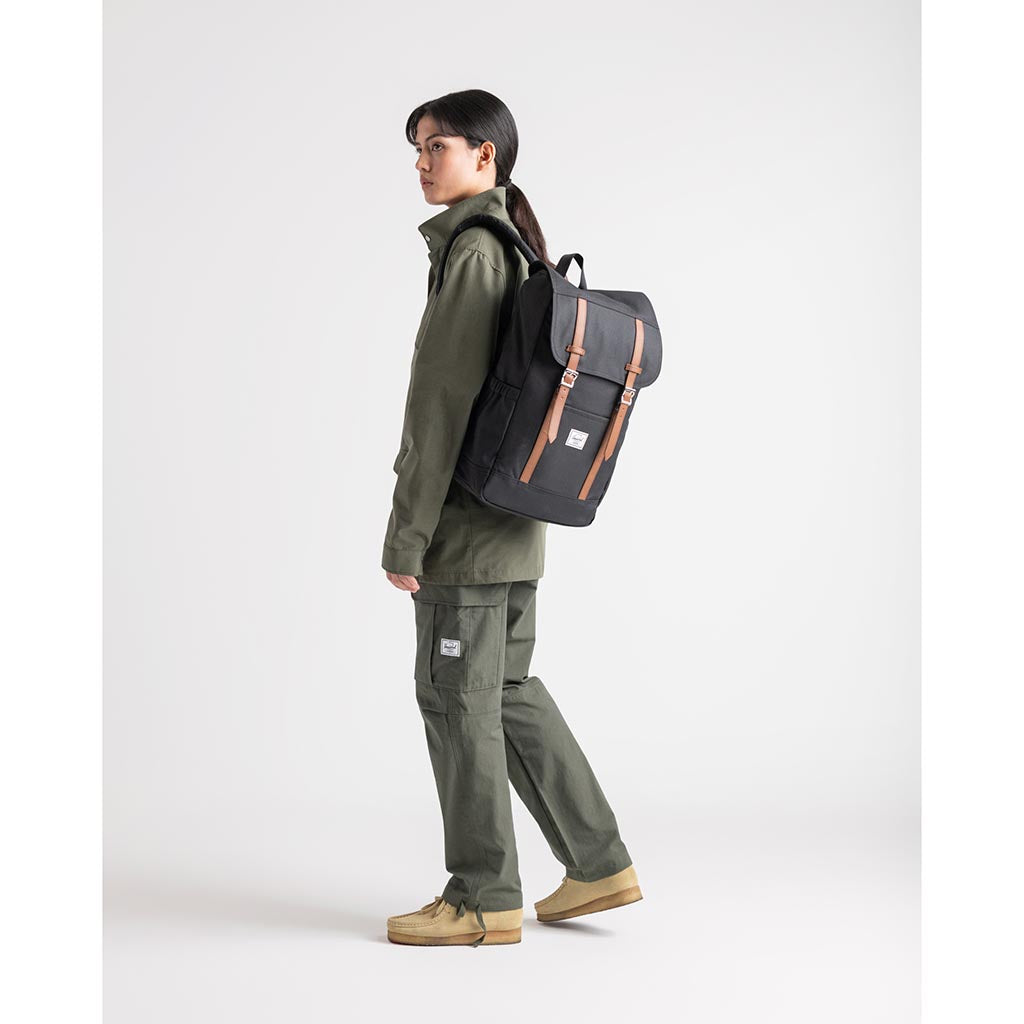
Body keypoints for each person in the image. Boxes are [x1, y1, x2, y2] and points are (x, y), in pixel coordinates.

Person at [381, 89, 641, 948]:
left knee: (457, 699)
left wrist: (408, 534)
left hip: (463, 530)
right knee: (506, 690)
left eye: (438, 146)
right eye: (417, 148)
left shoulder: (474, 252)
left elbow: (439, 405)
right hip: (517, 523)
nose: (422, 162)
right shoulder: (516, 245)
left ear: (485, 156)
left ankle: (482, 897)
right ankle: (598, 862)